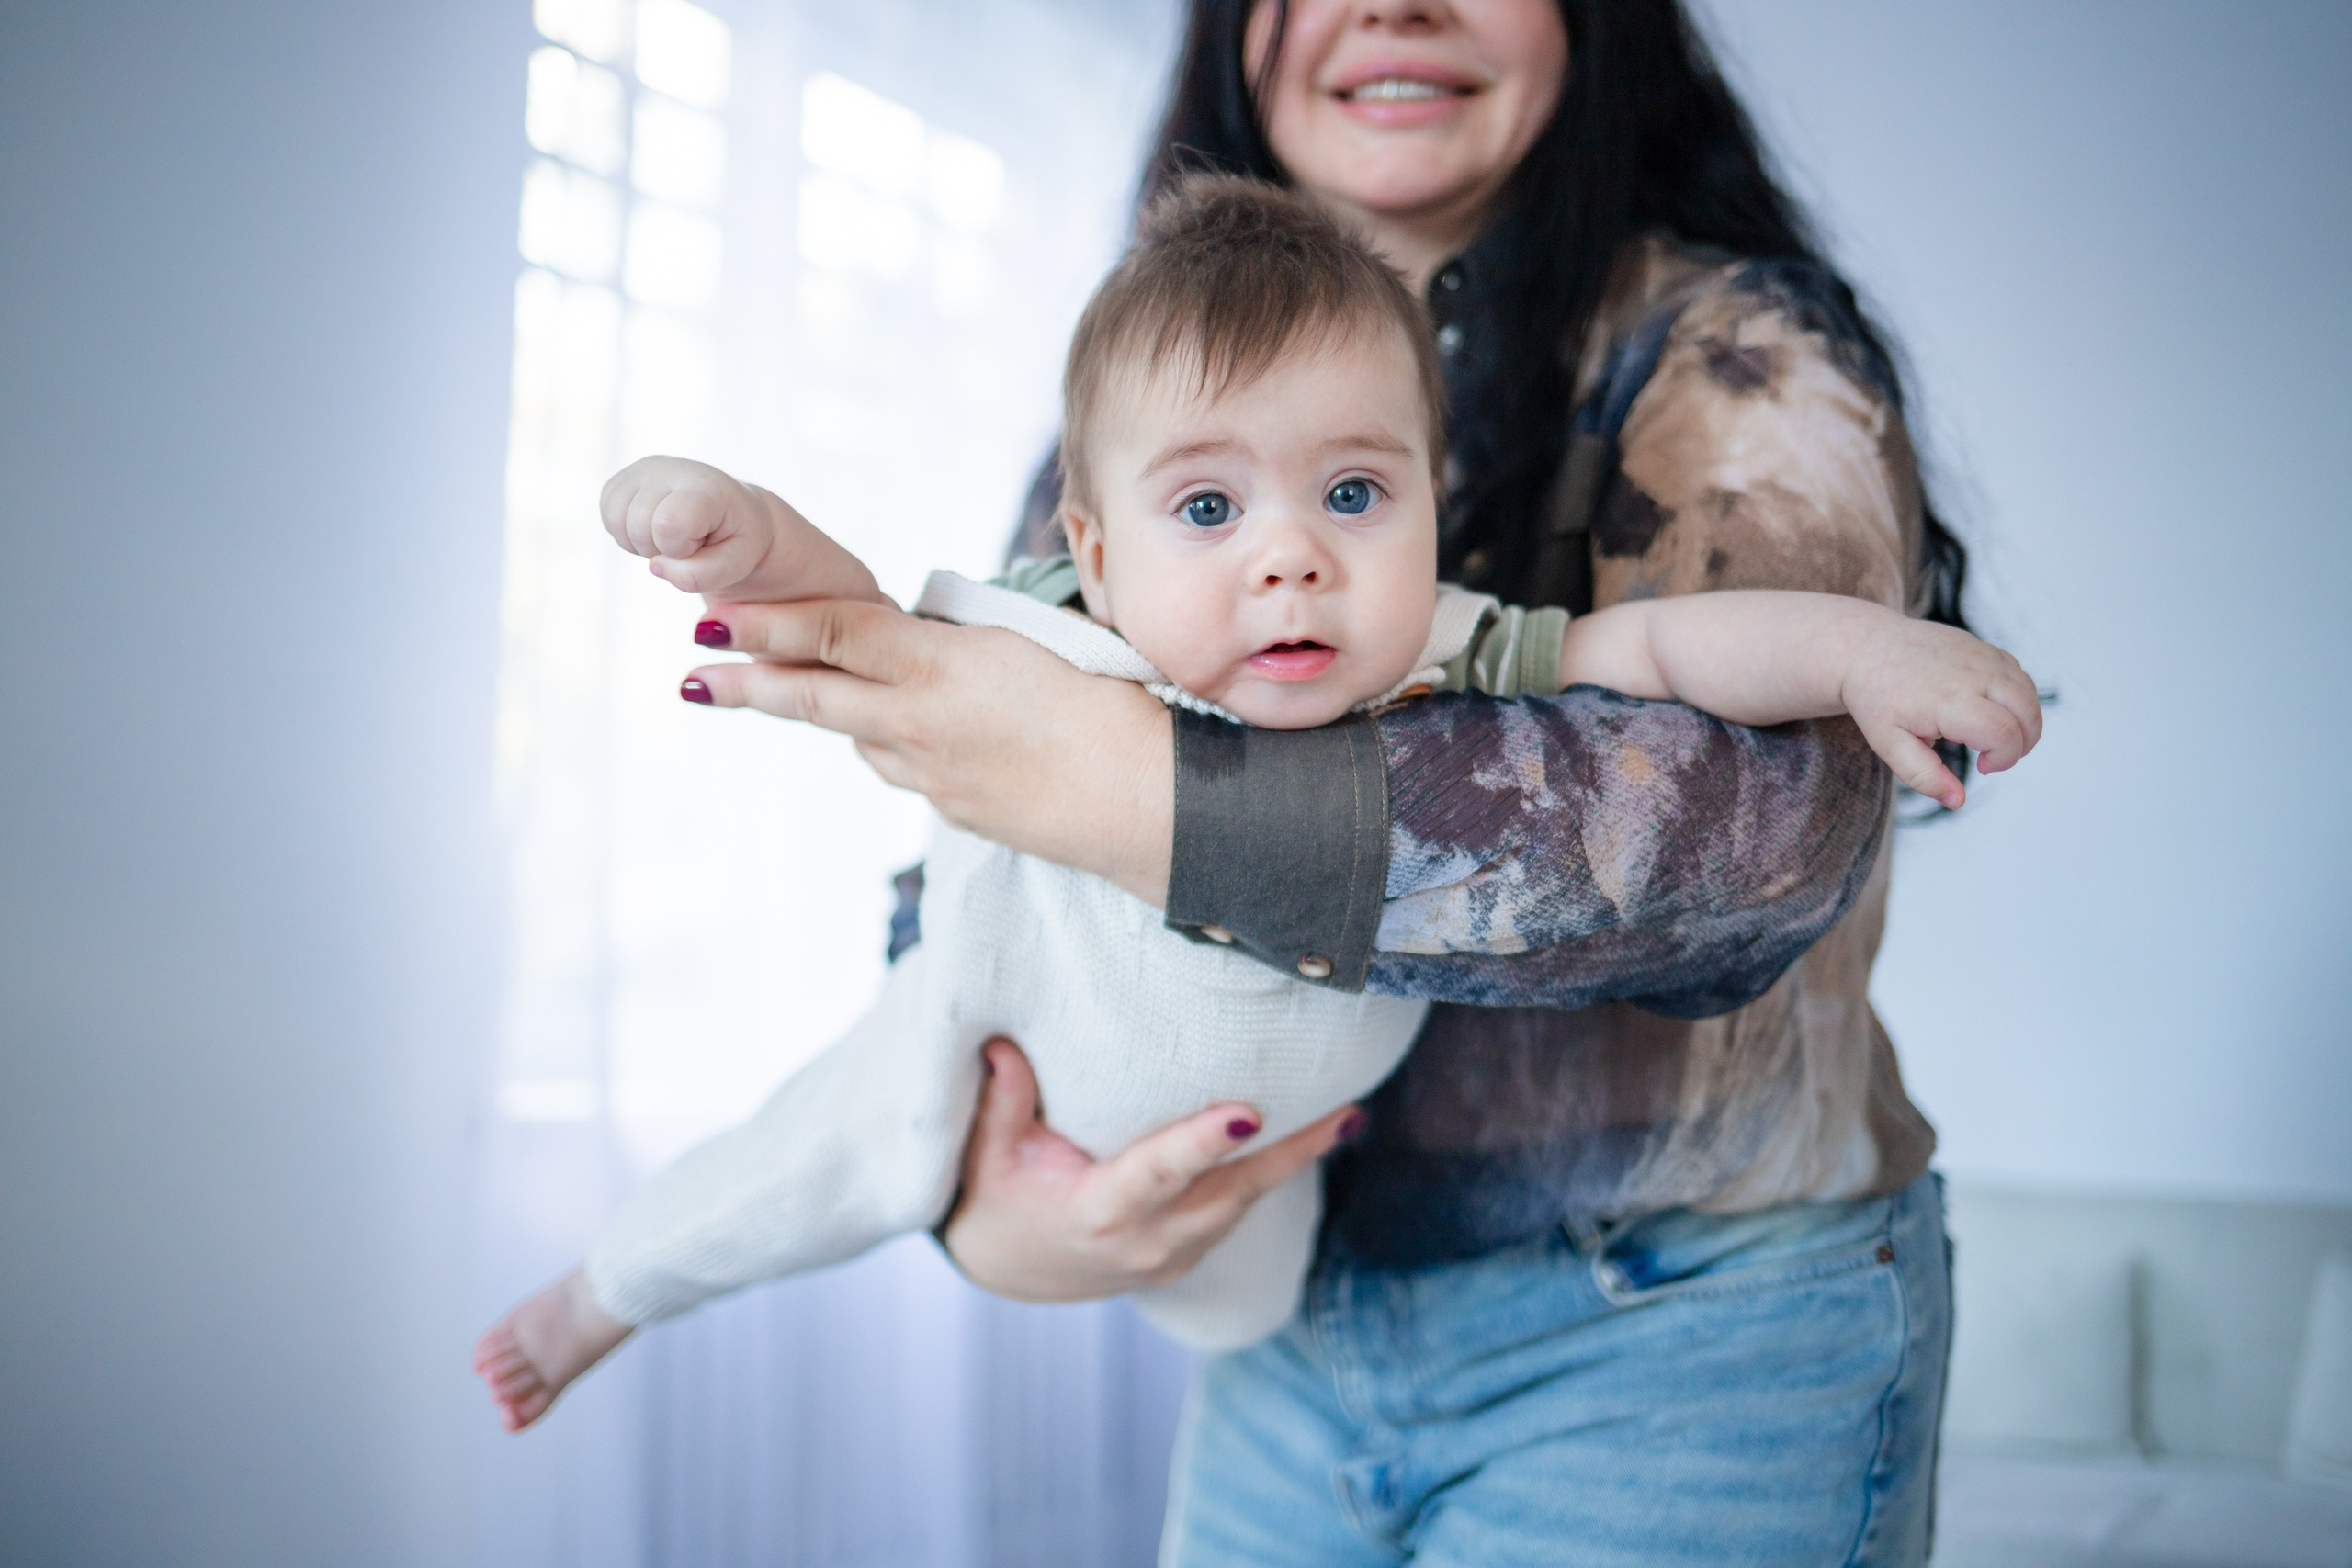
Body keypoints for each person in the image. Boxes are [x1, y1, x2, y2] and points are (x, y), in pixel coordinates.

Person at [582, 3, 1995, 1562]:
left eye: (1353, 491)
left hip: (1676, 1329)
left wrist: (1126, 786)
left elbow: (1749, 832)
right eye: (1204, 501)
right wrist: (998, 1208)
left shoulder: (1735, 350)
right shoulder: (1142, 375)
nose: (1394, 2)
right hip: (1284, 1328)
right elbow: (973, 833)